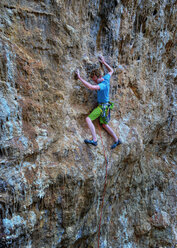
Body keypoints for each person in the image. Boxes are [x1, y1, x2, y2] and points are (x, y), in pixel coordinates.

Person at [76, 55, 122, 149]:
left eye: (95, 80)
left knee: (88, 119)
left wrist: (80, 78)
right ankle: (117, 140)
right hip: (105, 107)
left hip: (102, 108)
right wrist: (104, 62)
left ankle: (95, 140)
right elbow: (111, 71)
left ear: (99, 77)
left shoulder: (103, 85)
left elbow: (91, 87)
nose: (95, 82)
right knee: (104, 125)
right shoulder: (106, 78)